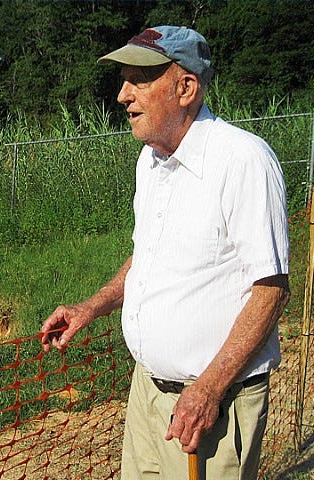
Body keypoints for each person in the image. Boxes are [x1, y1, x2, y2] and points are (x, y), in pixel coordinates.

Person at [40, 25, 290, 479]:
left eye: (139, 79)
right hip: (147, 394)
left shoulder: (243, 161)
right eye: (124, 80)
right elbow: (148, 257)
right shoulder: (151, 161)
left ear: (186, 88)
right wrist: (90, 307)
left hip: (211, 404)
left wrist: (209, 390)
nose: (123, 95)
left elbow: (271, 289)